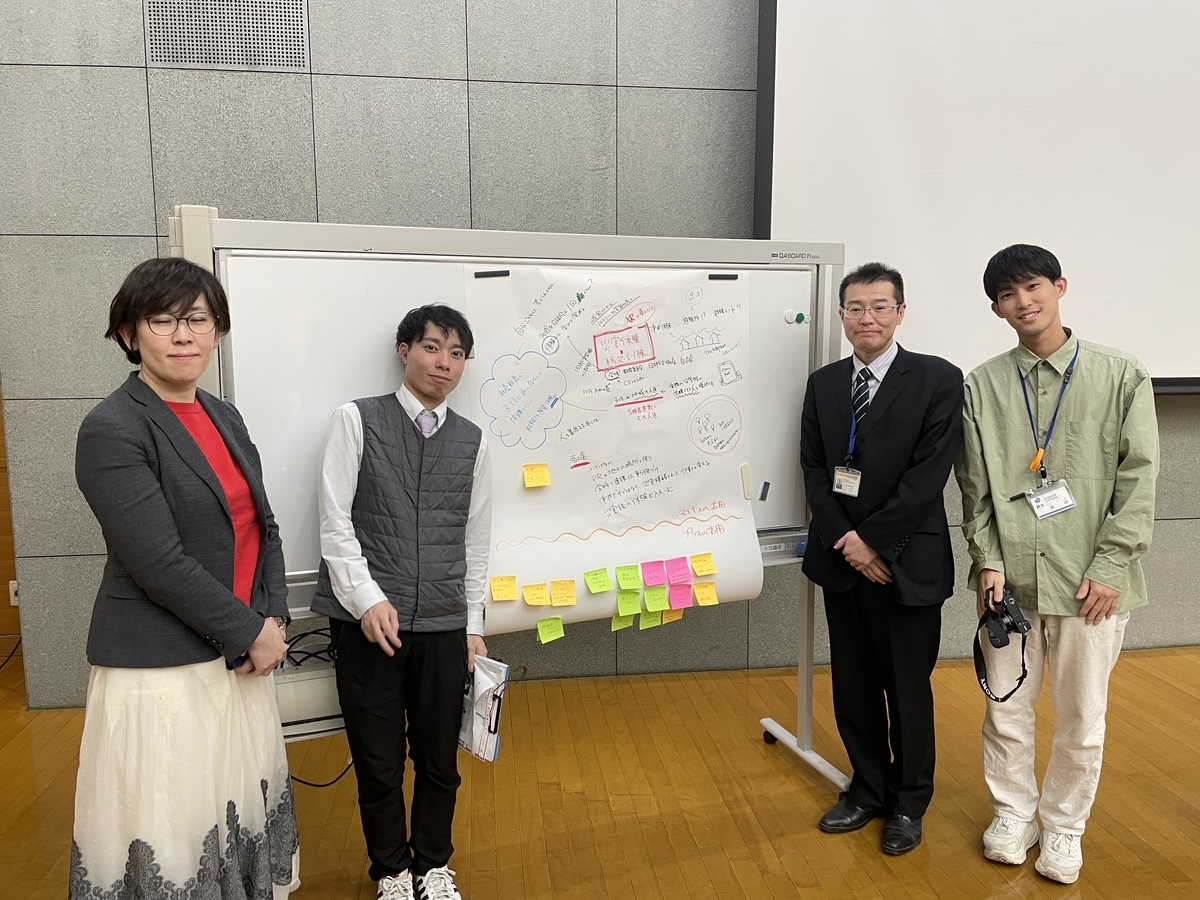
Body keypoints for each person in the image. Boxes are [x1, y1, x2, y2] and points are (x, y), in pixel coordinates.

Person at [71, 258, 299, 899]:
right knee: (174, 836)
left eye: (197, 319)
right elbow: (159, 564)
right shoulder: (112, 427)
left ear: (216, 330)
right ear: (128, 334)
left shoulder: (225, 417)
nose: (183, 336)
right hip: (162, 671)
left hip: (240, 659)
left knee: (234, 818)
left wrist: (274, 618)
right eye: (162, 321)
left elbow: (263, 526)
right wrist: (250, 631)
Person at [956, 244, 1158, 884]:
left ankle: (1065, 827)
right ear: (996, 309)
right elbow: (974, 487)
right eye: (1008, 295)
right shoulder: (982, 384)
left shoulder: (1121, 374)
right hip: (1009, 582)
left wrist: (1112, 565)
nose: (1024, 302)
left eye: (1033, 287)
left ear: (1060, 287)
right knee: (1005, 708)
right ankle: (1012, 813)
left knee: (1082, 717)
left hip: (1089, 583)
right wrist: (987, 560)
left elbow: (1138, 481)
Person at [311, 304, 491, 900]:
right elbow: (335, 523)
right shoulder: (356, 420)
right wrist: (366, 600)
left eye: (457, 353)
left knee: (439, 759)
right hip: (367, 626)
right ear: (405, 351)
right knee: (378, 760)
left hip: (443, 624)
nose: (444, 363)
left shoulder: (473, 442)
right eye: (433, 347)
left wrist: (472, 624)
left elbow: (476, 541)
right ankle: (390, 871)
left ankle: (432, 866)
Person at [800, 262, 963, 855]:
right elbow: (814, 470)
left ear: (900, 312)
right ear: (842, 315)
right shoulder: (823, 383)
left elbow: (927, 476)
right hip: (844, 563)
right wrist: (849, 542)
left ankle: (909, 803)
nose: (866, 318)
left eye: (879, 307)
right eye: (855, 308)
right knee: (854, 685)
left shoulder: (938, 378)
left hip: (905, 562)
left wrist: (873, 542)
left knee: (907, 689)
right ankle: (866, 790)